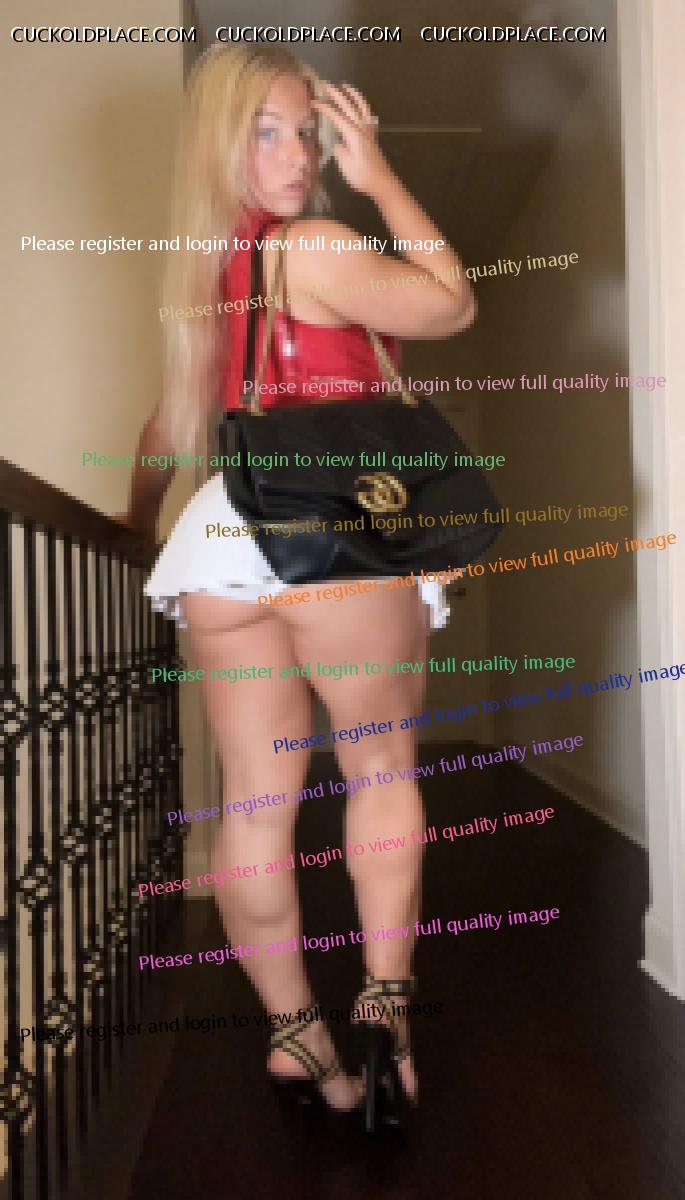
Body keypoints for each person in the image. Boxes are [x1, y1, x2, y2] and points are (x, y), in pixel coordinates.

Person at [122, 43, 475, 1129]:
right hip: (332, 529)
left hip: (224, 536)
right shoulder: (315, 244)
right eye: (267, 131)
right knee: (378, 767)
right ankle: (384, 1013)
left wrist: (138, 532)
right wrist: (379, 178)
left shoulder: (203, 277)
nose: (296, 156)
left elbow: (167, 430)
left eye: (309, 135)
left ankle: (295, 1038)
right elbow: (450, 304)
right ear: (222, 145)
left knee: (252, 803)